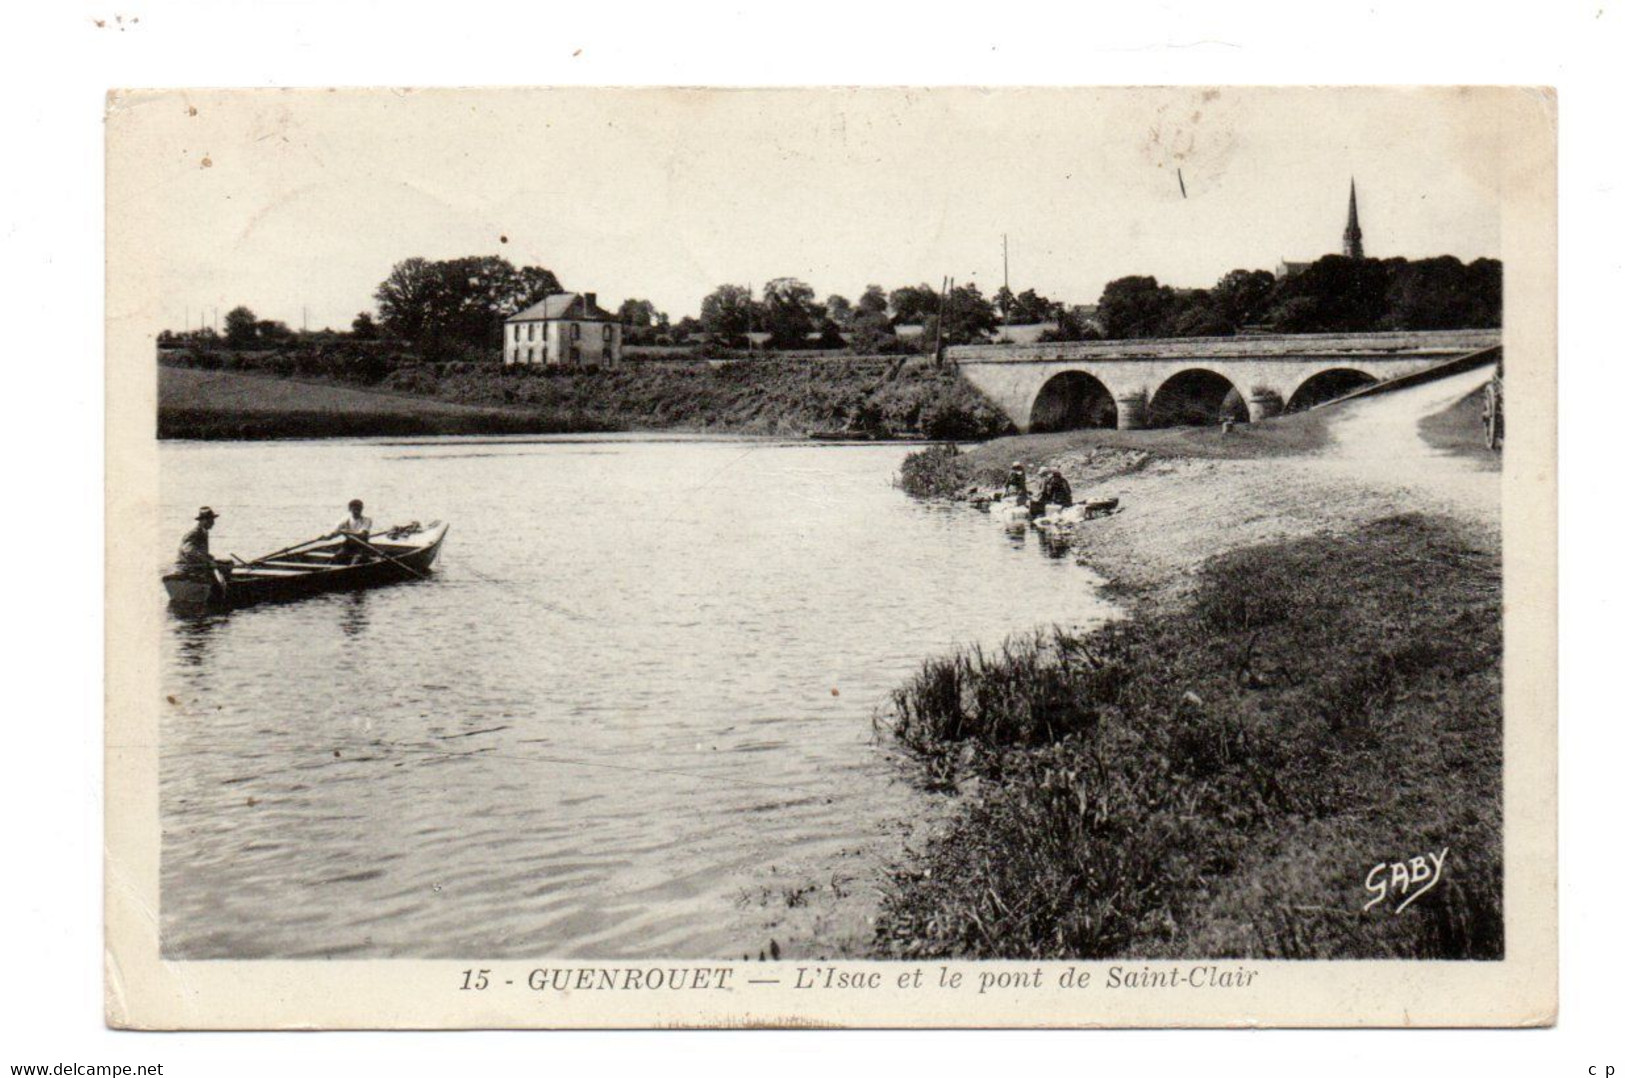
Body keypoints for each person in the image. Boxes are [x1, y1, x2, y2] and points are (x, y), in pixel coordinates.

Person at [176, 506, 231, 580]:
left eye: (212, 520)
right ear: (202, 521)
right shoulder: (194, 533)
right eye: (210, 520)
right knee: (224, 566)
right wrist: (207, 560)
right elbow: (189, 551)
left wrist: (209, 557)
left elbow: (198, 552)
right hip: (188, 568)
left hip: (197, 565)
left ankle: (223, 585)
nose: (212, 523)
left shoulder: (203, 532)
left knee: (228, 563)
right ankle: (223, 587)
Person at [326, 499, 375, 564]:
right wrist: (327, 537)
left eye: (359, 509)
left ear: (362, 509)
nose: (357, 511)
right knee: (336, 558)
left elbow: (362, 534)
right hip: (348, 545)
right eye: (355, 509)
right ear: (349, 509)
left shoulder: (367, 520)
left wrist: (346, 532)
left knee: (356, 562)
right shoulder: (345, 520)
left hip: (362, 546)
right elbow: (335, 533)